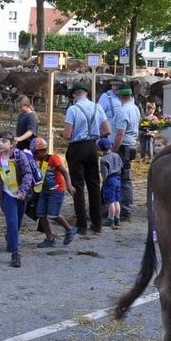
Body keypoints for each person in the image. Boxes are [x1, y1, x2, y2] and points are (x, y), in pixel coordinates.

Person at [62, 82, 111, 236]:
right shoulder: (98, 107)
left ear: (74, 95)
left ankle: (82, 224)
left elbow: (67, 135)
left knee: (77, 185)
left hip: (77, 147)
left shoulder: (73, 109)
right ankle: (96, 223)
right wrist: (95, 137)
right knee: (94, 185)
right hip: (92, 147)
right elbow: (107, 130)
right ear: (86, 93)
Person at [0, 131, 35, 268]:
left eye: (4, 141)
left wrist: (23, 191)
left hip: (22, 195)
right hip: (6, 195)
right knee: (12, 221)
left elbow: (28, 174)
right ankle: (16, 254)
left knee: (17, 223)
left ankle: (10, 238)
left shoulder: (19, 156)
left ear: (11, 144)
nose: (0, 144)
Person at [31, 137, 77, 248]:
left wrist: (69, 185)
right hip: (44, 191)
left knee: (53, 214)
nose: (35, 155)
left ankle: (69, 229)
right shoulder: (37, 161)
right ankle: (50, 238)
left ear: (43, 150)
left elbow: (65, 172)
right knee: (41, 214)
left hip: (56, 190)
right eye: (33, 153)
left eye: (36, 153)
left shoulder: (53, 159)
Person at [111, 86, 140, 220]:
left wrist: (113, 150)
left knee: (123, 178)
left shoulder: (123, 111)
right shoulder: (135, 108)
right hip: (132, 145)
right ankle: (125, 207)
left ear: (120, 97)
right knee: (125, 177)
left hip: (123, 147)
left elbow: (120, 133)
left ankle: (124, 209)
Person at [97, 138, 123, 229]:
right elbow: (121, 166)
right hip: (118, 178)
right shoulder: (116, 155)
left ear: (99, 149)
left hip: (110, 179)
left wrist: (104, 180)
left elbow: (104, 173)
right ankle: (117, 218)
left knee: (110, 201)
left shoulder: (103, 159)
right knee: (117, 200)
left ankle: (110, 219)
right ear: (111, 146)